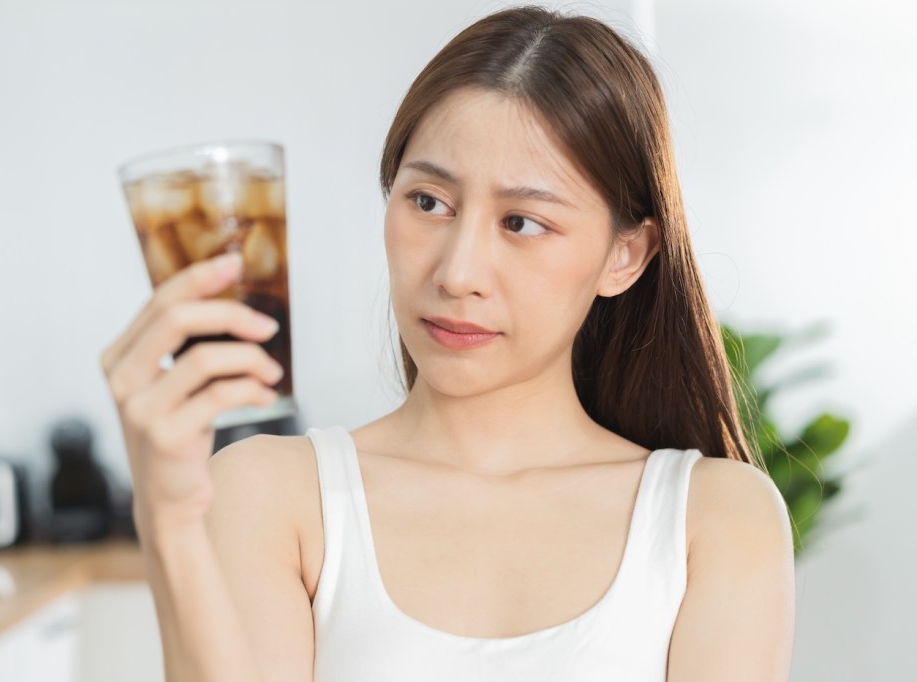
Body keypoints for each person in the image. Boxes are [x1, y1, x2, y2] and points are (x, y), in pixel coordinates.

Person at [100, 6, 795, 681]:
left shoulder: (714, 521)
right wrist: (166, 524)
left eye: (522, 221)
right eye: (429, 202)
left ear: (626, 255)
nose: (457, 273)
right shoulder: (269, 494)